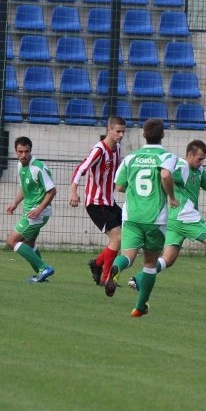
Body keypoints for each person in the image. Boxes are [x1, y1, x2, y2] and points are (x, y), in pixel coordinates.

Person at [128, 139, 206, 293]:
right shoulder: (182, 166)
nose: (201, 162)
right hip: (186, 216)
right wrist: (170, 196)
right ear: (190, 155)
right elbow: (164, 175)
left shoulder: (199, 171)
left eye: (203, 159)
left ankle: (137, 279)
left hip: (174, 220)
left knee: (168, 259)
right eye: (199, 159)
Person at [105, 118, 178, 317]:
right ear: (163, 135)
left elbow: (118, 186)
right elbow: (165, 175)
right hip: (155, 218)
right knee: (149, 264)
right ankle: (140, 306)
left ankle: (115, 268)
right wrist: (171, 197)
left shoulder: (130, 158)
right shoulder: (168, 156)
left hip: (132, 217)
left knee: (127, 256)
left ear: (143, 135)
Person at [69, 116, 127, 286]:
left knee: (127, 233)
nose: (121, 135)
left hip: (109, 202)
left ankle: (97, 264)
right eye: (118, 131)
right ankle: (106, 278)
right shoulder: (99, 150)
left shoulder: (117, 148)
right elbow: (81, 168)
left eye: (123, 131)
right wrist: (73, 191)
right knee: (116, 238)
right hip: (96, 203)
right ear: (109, 130)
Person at [6, 136, 57, 283]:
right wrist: (15, 203)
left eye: (26, 151)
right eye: (20, 152)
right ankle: (42, 275)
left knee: (11, 241)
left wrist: (39, 209)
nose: (23, 155)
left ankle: (43, 267)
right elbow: (25, 187)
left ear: (31, 151)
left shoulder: (38, 168)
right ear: (16, 151)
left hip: (37, 213)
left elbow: (52, 191)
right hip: (32, 211)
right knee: (29, 244)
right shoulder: (20, 166)